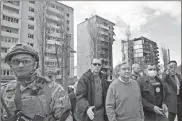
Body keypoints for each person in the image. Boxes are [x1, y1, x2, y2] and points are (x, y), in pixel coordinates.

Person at [1, 43, 72, 121]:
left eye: (25, 61)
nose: (20, 65)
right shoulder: (3, 91)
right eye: (15, 61)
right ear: (10, 65)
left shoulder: (54, 90)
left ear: (35, 64)